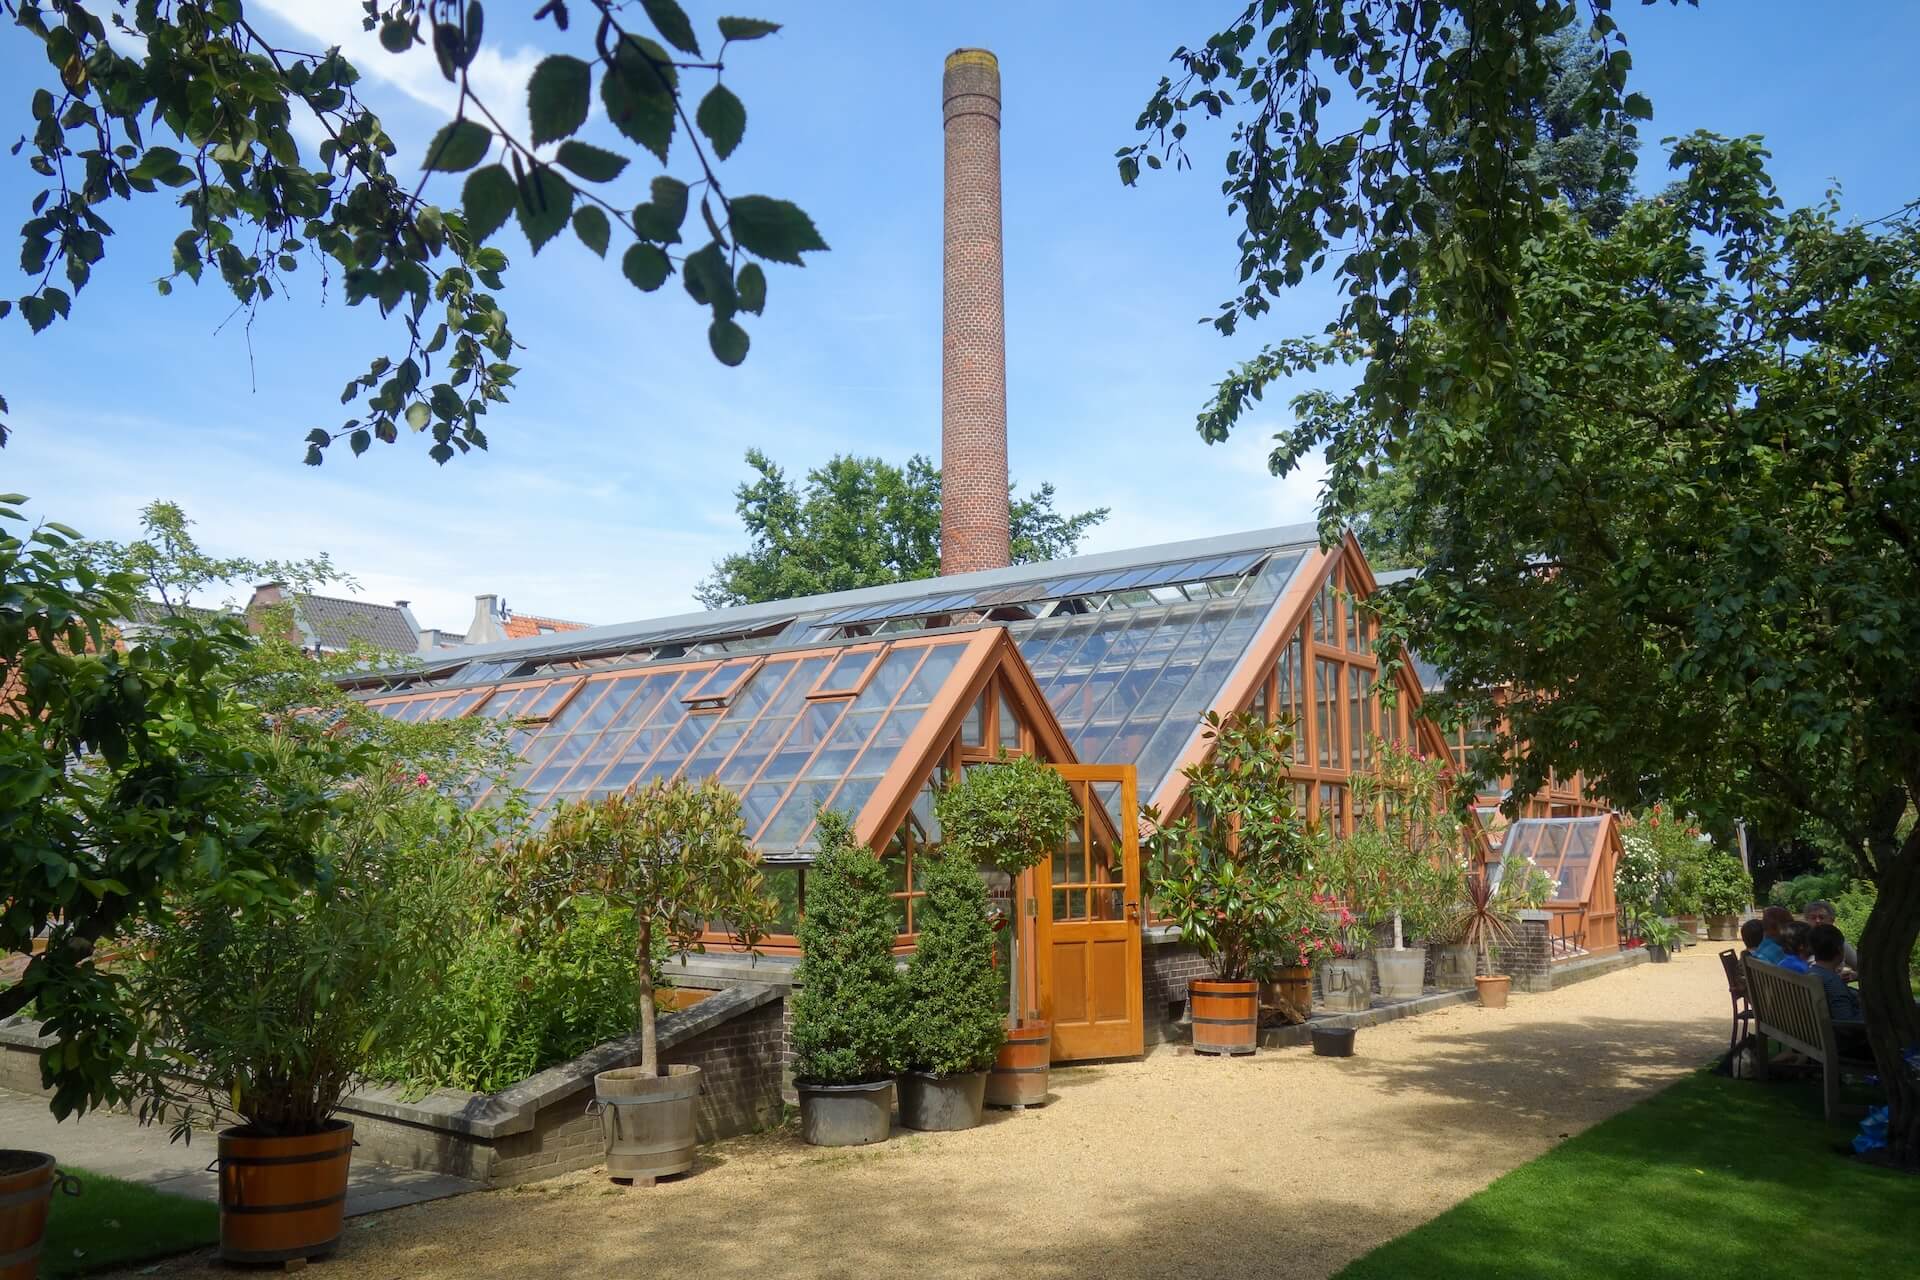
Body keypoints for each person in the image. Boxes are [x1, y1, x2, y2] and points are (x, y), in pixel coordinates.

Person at [1808, 924, 1870, 1059]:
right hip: (1845, 1046)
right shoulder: (1832, 982)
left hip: (1815, 1039)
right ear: (1840, 950)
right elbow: (1847, 1026)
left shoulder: (1810, 974)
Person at [1803, 899, 1860, 971]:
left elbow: (1859, 966)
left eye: (1822, 917)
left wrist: (1855, 975)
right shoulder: (1800, 944)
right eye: (1813, 918)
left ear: (1832, 920)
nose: (1817, 921)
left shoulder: (1839, 943)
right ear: (1807, 920)